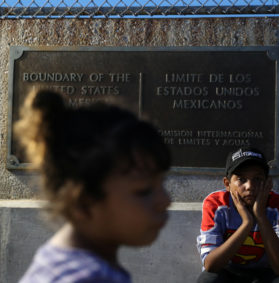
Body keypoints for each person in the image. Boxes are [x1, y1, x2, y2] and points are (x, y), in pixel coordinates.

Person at [17, 90, 171, 283]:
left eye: (161, 184)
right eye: (144, 191)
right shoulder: (89, 278)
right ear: (83, 202)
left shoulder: (55, 258)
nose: (165, 201)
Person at [196, 147, 279, 283]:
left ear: (268, 183)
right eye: (241, 179)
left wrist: (260, 216)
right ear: (227, 184)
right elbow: (211, 265)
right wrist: (246, 223)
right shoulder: (216, 204)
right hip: (227, 271)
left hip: (265, 272)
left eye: (258, 179)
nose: (249, 186)